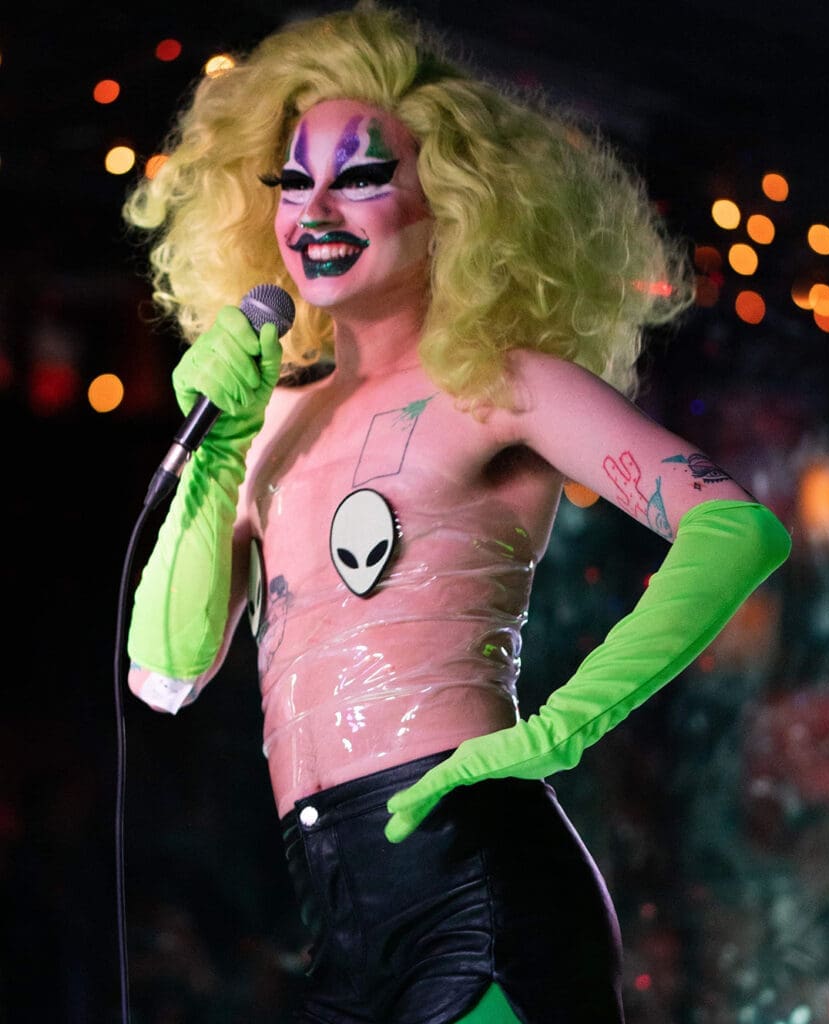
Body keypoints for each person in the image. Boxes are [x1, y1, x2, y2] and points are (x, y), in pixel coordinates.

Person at [123, 4, 791, 1021]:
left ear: (454, 198)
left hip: (475, 881)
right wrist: (218, 451)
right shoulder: (269, 423)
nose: (316, 211)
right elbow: (165, 672)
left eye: (360, 175)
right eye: (292, 181)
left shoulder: (499, 382)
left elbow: (736, 527)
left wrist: (564, 725)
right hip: (337, 911)